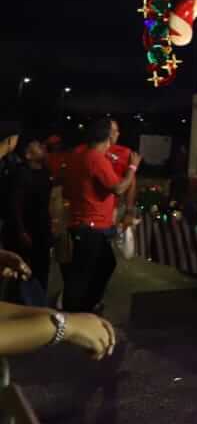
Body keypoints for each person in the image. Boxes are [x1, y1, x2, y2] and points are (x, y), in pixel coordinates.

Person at [59, 117, 140, 313]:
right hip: (91, 225)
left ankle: (84, 307)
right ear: (108, 135)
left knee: (98, 266)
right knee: (86, 272)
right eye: (114, 130)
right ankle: (76, 313)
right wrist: (132, 167)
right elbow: (119, 188)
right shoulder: (95, 158)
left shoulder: (80, 155)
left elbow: (67, 190)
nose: (117, 134)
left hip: (86, 223)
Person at [3, 138, 54, 296]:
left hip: (41, 231)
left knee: (40, 271)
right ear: (28, 155)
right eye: (38, 146)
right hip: (25, 232)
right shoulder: (21, 173)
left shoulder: (44, 172)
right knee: (22, 272)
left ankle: (36, 305)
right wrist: (21, 231)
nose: (43, 147)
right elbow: (15, 204)